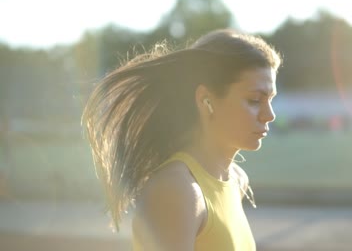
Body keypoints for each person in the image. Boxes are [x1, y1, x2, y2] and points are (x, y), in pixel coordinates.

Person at [81, 29, 282, 251]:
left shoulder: (236, 180)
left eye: (270, 99)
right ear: (206, 100)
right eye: (255, 100)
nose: (270, 114)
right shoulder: (177, 190)